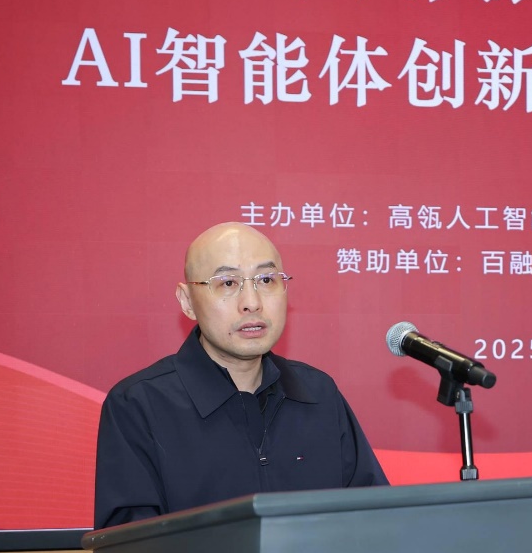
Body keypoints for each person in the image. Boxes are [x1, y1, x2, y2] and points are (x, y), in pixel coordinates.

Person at [94, 221, 388, 530]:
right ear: (187, 301)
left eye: (266, 280)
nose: (252, 303)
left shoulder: (318, 394)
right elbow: (131, 550)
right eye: (228, 283)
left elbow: (377, 522)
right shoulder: (139, 405)